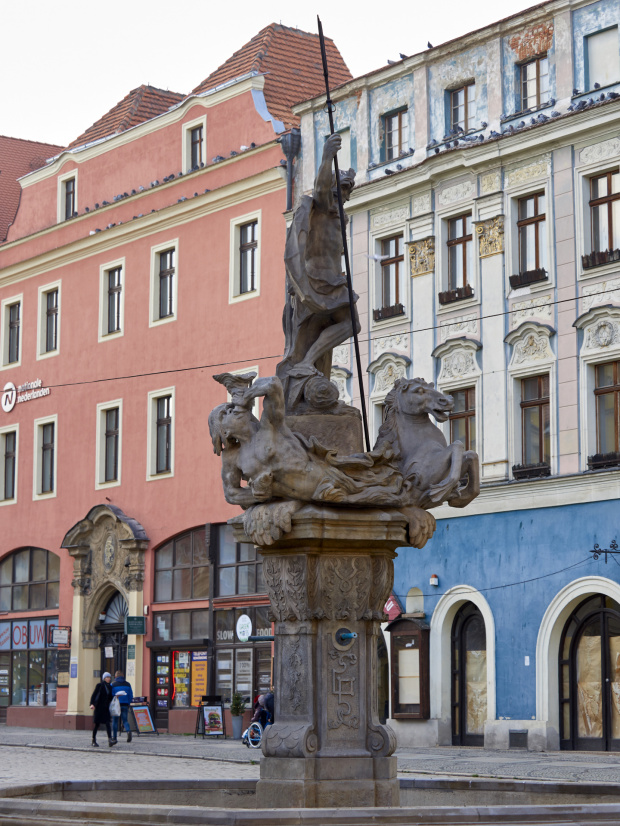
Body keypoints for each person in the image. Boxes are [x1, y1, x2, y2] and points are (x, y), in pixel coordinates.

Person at [89, 671, 113, 747]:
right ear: (104, 678)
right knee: (97, 725)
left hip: (106, 708)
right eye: (107, 677)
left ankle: (110, 740)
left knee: (108, 724)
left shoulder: (110, 687)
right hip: (99, 708)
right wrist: (92, 704)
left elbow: (110, 698)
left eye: (109, 677)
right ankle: (93, 740)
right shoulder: (99, 685)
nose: (108, 679)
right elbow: (94, 695)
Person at [110, 670, 134, 743]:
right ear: (123, 676)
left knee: (115, 721)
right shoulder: (128, 684)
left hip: (116, 705)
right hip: (125, 704)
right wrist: (128, 702)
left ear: (116, 676)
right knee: (125, 720)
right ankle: (128, 731)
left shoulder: (113, 684)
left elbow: (111, 694)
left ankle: (114, 737)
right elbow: (131, 695)